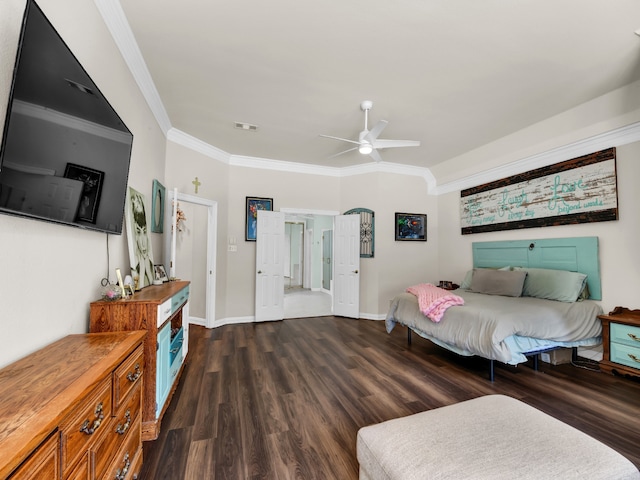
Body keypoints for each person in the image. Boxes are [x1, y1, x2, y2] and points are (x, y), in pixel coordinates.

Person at [129, 189, 154, 289]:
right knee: (143, 271)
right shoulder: (135, 225)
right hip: (141, 255)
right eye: (139, 232)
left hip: (145, 255)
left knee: (147, 270)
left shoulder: (143, 223)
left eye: (139, 203)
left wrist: (145, 250)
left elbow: (145, 238)